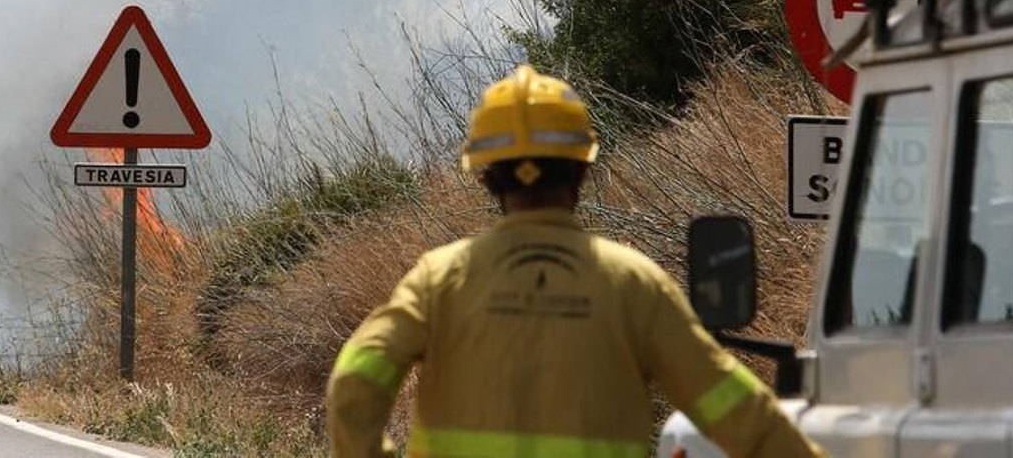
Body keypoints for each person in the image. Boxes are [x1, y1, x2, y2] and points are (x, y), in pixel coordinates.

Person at [326, 65, 824, 458]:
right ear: (583, 170)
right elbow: (738, 412)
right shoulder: (631, 284)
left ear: (485, 177)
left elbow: (354, 382)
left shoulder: (440, 279)